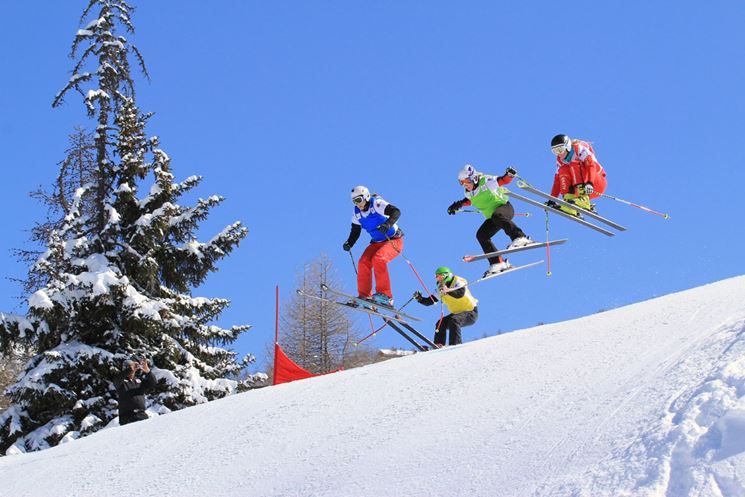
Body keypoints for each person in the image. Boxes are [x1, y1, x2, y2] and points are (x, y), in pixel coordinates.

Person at [447, 164, 531, 277]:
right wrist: (457, 205)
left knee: (497, 216)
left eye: (466, 181)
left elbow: (502, 181)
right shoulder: (468, 192)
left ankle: (520, 237)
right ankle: (498, 262)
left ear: (474, 178)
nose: (464, 185)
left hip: (505, 208)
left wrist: (509, 175)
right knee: (481, 235)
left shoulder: (486, 181)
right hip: (494, 218)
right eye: (461, 183)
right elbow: (470, 200)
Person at [342, 185, 403, 307]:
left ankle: (386, 296)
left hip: (393, 240)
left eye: (359, 200)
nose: (357, 204)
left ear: (366, 196)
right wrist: (349, 242)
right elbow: (355, 231)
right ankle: (364, 296)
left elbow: (396, 212)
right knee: (363, 262)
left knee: (378, 259)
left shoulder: (377, 204)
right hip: (376, 243)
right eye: (354, 201)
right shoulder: (357, 213)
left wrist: (387, 225)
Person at [413, 266, 478, 346]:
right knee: (440, 323)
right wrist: (419, 298)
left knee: (454, 320)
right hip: (457, 313)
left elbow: (460, 294)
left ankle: (455, 344)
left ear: (447, 275)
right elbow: (430, 301)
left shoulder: (458, 281)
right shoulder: (440, 289)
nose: (438, 279)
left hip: (470, 312)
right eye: (436, 277)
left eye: (440, 276)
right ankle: (439, 344)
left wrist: (448, 291)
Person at [548, 134, 607, 215]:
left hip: (595, 182)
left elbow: (591, 165)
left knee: (573, 164)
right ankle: (570, 203)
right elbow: (557, 181)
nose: (559, 153)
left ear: (567, 146)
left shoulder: (579, 149)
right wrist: (552, 199)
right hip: (579, 189)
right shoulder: (560, 161)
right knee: (563, 170)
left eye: (560, 149)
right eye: (555, 151)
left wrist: (590, 183)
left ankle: (584, 199)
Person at [114, 356, 156, 426]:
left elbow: (153, 383)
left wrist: (147, 371)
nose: (133, 370)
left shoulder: (138, 381)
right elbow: (117, 380)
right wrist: (129, 369)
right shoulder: (121, 382)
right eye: (130, 368)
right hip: (127, 416)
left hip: (141, 414)